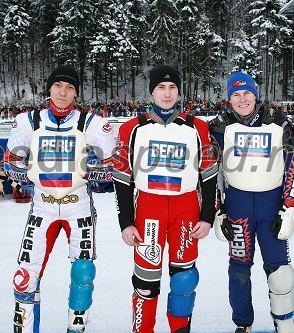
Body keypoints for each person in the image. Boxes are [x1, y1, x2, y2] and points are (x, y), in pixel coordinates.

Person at [3, 65, 116, 333]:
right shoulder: (28, 121)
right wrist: (32, 176)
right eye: (58, 86)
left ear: (76, 92)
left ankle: (75, 329)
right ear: (49, 89)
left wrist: (89, 175)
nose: (63, 92)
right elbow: (10, 163)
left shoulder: (92, 123)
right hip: (42, 207)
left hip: (78, 208)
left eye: (69, 88)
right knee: (25, 277)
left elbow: (113, 165)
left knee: (83, 273)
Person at [112, 65, 218, 333]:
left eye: (172, 88)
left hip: (186, 209)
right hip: (149, 209)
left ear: (179, 91)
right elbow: (122, 179)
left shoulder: (196, 127)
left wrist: (207, 217)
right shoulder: (132, 129)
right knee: (146, 283)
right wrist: (126, 222)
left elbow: (209, 175)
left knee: (184, 279)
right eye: (161, 87)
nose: (167, 93)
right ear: (152, 91)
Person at [209, 72, 294, 333]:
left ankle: (285, 323)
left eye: (247, 93)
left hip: (271, 205)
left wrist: (290, 207)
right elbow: (209, 173)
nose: (242, 99)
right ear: (229, 98)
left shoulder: (278, 122)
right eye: (235, 95)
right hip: (238, 206)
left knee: (280, 273)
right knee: (239, 271)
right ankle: (243, 323)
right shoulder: (218, 126)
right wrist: (218, 211)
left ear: (256, 95)